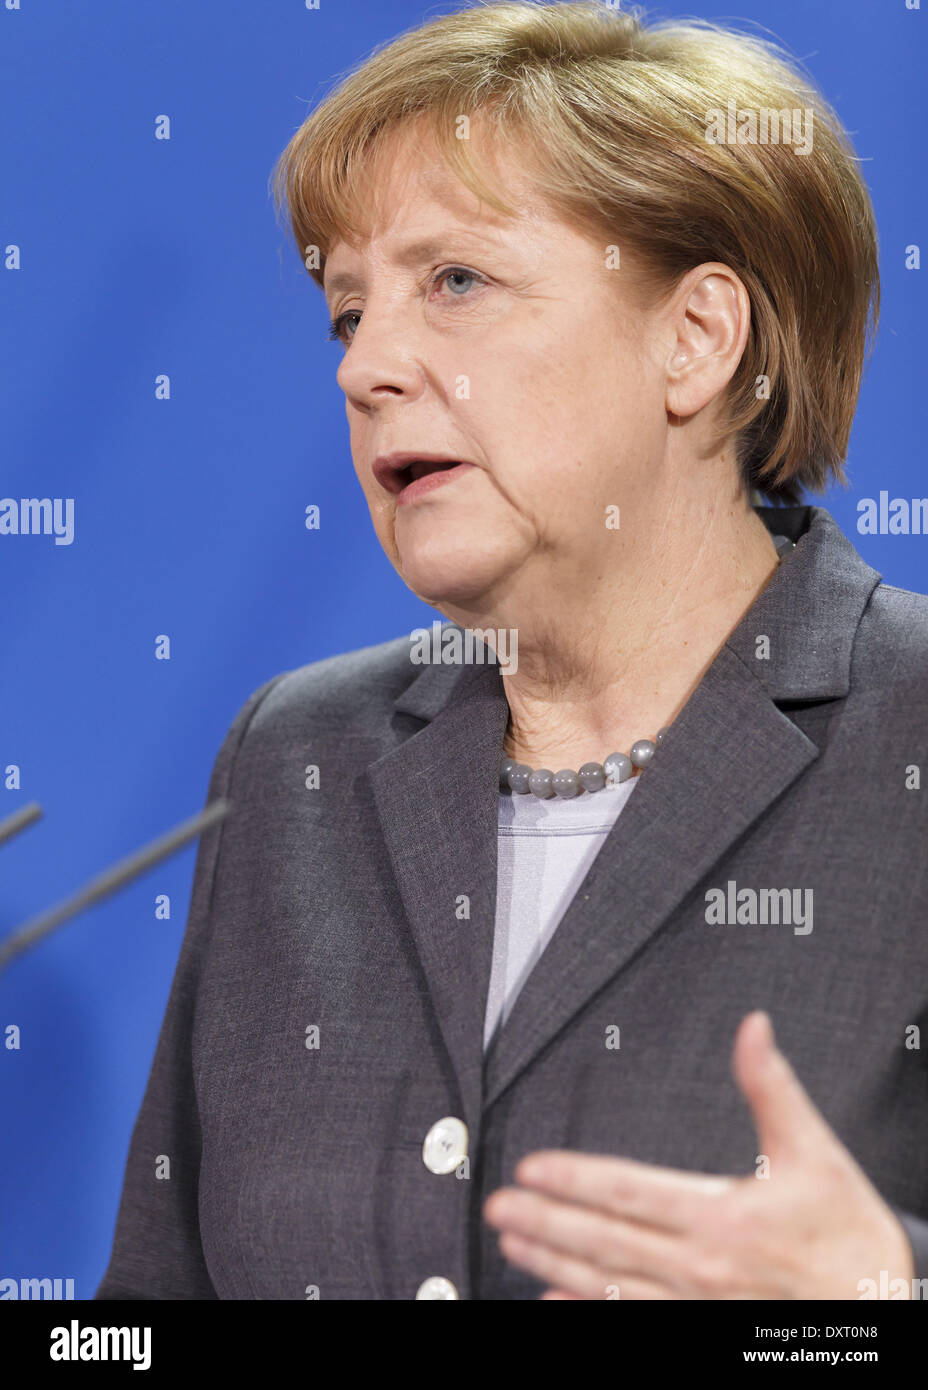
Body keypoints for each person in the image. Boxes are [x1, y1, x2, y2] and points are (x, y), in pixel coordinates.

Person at [96, 1, 928, 1299]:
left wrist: (882, 1290)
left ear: (698, 338)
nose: (364, 366)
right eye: (346, 312)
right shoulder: (294, 758)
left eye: (457, 282)